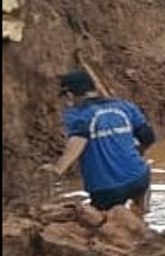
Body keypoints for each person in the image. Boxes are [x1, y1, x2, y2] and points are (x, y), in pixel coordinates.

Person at [44, 70, 155, 216]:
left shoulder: (77, 115)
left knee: (103, 226)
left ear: (70, 95)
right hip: (140, 179)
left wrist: (58, 168)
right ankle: (142, 216)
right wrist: (139, 152)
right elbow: (149, 137)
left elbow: (78, 141)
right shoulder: (125, 107)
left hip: (106, 189)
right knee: (139, 214)